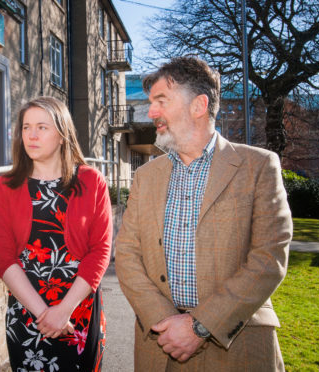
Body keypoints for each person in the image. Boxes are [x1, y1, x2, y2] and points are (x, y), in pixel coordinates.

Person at [115, 56, 293, 371]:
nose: (152, 111)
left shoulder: (259, 166)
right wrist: (167, 320)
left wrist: (200, 325)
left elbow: (269, 257)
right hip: (161, 344)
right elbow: (127, 253)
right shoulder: (146, 175)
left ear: (199, 105)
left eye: (161, 101)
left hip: (238, 343)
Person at [0, 96, 112, 371]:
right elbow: (4, 258)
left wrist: (64, 310)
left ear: (62, 135)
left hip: (79, 309)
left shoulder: (91, 181)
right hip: (28, 312)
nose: (31, 135)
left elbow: (100, 251)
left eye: (42, 127)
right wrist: (45, 314)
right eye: (26, 127)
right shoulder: (5, 187)